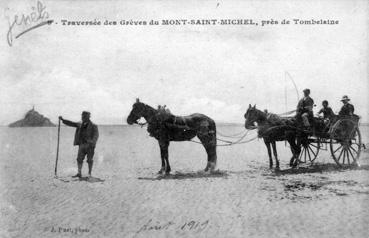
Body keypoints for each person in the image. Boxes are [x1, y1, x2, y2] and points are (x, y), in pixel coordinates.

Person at [59, 111, 99, 178]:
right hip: (81, 145)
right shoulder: (79, 124)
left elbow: (96, 135)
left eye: (84, 116)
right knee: (79, 159)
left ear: (88, 117)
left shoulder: (94, 125)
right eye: (82, 116)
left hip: (90, 146)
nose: (83, 117)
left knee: (89, 160)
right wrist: (63, 120)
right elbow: (71, 123)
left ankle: (89, 174)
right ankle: (79, 173)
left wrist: (92, 142)